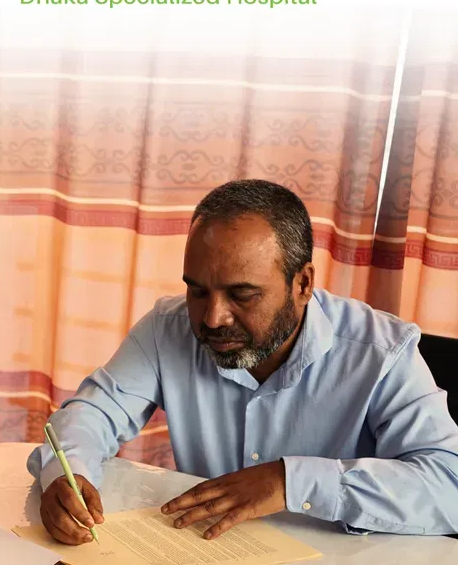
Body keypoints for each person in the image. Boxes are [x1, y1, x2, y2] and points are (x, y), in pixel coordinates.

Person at [30, 179, 458, 545]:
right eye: (198, 291)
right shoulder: (167, 327)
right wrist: (67, 475)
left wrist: (288, 482)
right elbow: (93, 413)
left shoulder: (383, 352)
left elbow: (448, 486)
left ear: (303, 283)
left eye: (242, 295)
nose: (213, 318)